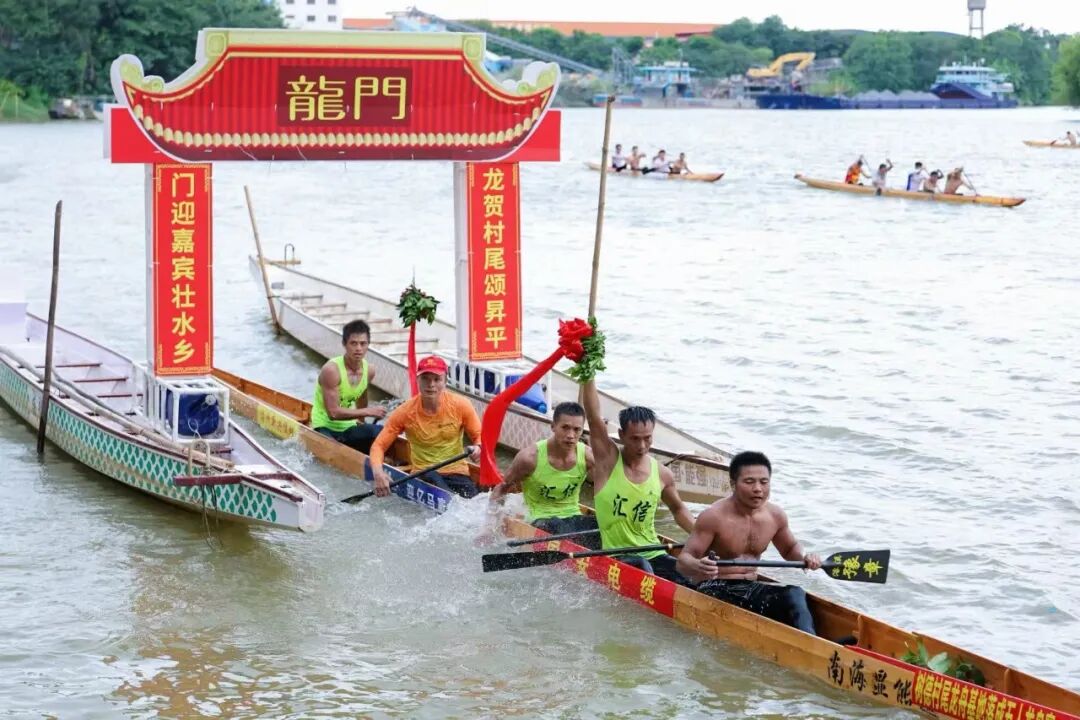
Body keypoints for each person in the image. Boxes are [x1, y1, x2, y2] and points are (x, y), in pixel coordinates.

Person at [676, 451, 822, 634]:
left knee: (795, 593)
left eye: (764, 482)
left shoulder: (775, 516)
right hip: (713, 588)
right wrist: (699, 565)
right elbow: (683, 561)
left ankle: (810, 640)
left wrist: (805, 557)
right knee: (785, 599)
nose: (758, 489)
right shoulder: (713, 516)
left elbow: (790, 549)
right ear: (732, 484)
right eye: (749, 482)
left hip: (749, 588)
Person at [581, 378, 695, 585]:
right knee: (642, 566)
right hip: (618, 557)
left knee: (691, 575)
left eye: (647, 438)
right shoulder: (608, 460)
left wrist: (704, 539)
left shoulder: (662, 474)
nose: (642, 445)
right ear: (621, 435)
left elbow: (678, 510)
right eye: (635, 439)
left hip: (653, 552)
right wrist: (588, 372)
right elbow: (593, 417)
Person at [487, 401, 599, 547]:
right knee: (557, 527)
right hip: (539, 520)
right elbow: (501, 488)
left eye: (577, 430)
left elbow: (606, 490)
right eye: (565, 428)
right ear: (553, 426)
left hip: (572, 517)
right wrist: (490, 526)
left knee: (600, 525)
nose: (571, 435)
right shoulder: (529, 458)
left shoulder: (588, 457)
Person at [368, 355, 482, 498]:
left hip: (457, 472)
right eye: (425, 379)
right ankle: (452, 502)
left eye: (437, 379)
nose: (431, 384)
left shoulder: (461, 405)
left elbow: (479, 436)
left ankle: (457, 502)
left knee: (473, 500)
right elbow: (378, 446)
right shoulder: (405, 412)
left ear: (445, 381)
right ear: (418, 380)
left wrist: (478, 447)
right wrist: (378, 473)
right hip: (423, 474)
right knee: (432, 476)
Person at [311, 319, 386, 455]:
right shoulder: (331, 370)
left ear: (368, 345)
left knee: (380, 432)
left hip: (348, 426)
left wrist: (362, 423)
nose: (358, 348)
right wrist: (368, 412)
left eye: (363, 343)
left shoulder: (369, 370)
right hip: (324, 426)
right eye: (353, 343)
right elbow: (333, 413)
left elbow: (362, 397)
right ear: (344, 344)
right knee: (333, 453)